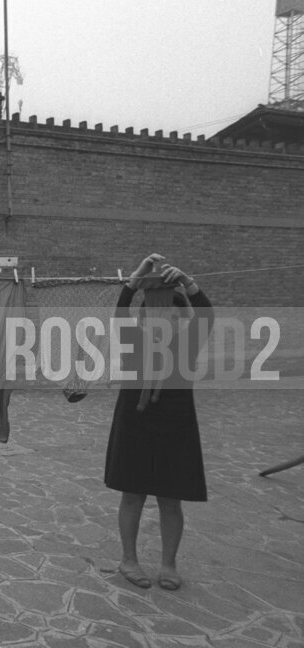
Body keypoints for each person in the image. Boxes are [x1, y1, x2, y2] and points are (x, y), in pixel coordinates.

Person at [105, 252, 212, 591]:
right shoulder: (133, 339)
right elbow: (121, 310)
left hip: (176, 423)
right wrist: (136, 276)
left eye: (173, 314)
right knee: (133, 494)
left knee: (171, 497)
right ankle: (129, 559)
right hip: (135, 422)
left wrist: (187, 283)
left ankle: (168, 564)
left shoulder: (188, 341)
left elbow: (206, 314)